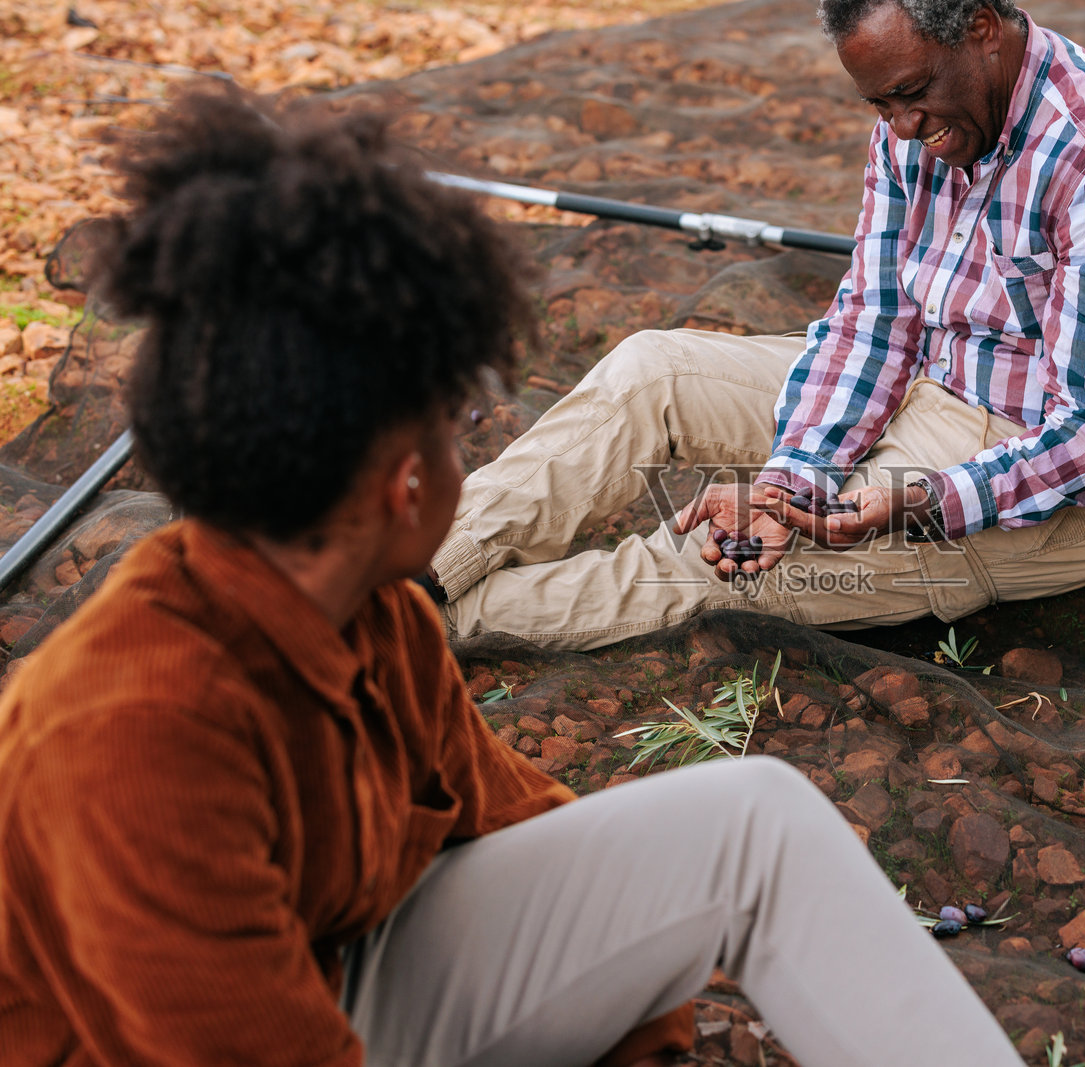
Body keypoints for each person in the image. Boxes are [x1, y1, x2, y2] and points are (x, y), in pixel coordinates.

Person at [0, 87, 1029, 1067]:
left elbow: (518, 822)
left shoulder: (378, 622)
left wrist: (638, 1036)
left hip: (331, 976)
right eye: (455, 433)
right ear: (407, 486)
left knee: (753, 820)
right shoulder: (128, 738)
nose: (471, 458)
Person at [427, 0, 1085, 652]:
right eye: (881, 104)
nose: (903, 128)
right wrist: (791, 479)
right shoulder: (919, 119)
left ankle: (412, 629)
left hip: (1058, 477)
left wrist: (913, 504)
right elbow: (877, 322)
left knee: (731, 563)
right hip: (926, 384)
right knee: (650, 373)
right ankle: (418, 573)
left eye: (913, 93)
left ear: (981, 27)